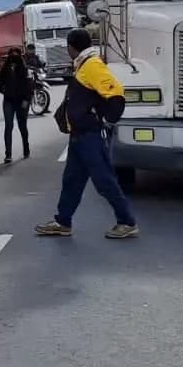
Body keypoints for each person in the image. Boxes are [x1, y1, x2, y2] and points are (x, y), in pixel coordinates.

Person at [35, 28, 139, 239]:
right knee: (72, 181)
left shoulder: (92, 65)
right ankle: (63, 222)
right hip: (79, 137)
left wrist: (105, 122)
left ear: (72, 47)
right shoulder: (84, 64)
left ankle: (127, 222)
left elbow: (116, 95)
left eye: (68, 47)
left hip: (90, 136)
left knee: (104, 181)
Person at [0, 48, 31, 163]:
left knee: (22, 126)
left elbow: (29, 87)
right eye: (11, 56)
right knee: (8, 126)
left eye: (16, 56)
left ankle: (26, 149)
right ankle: (8, 154)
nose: (13, 58)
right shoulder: (5, 69)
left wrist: (26, 100)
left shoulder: (25, 69)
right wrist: (4, 90)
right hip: (8, 101)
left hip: (21, 101)